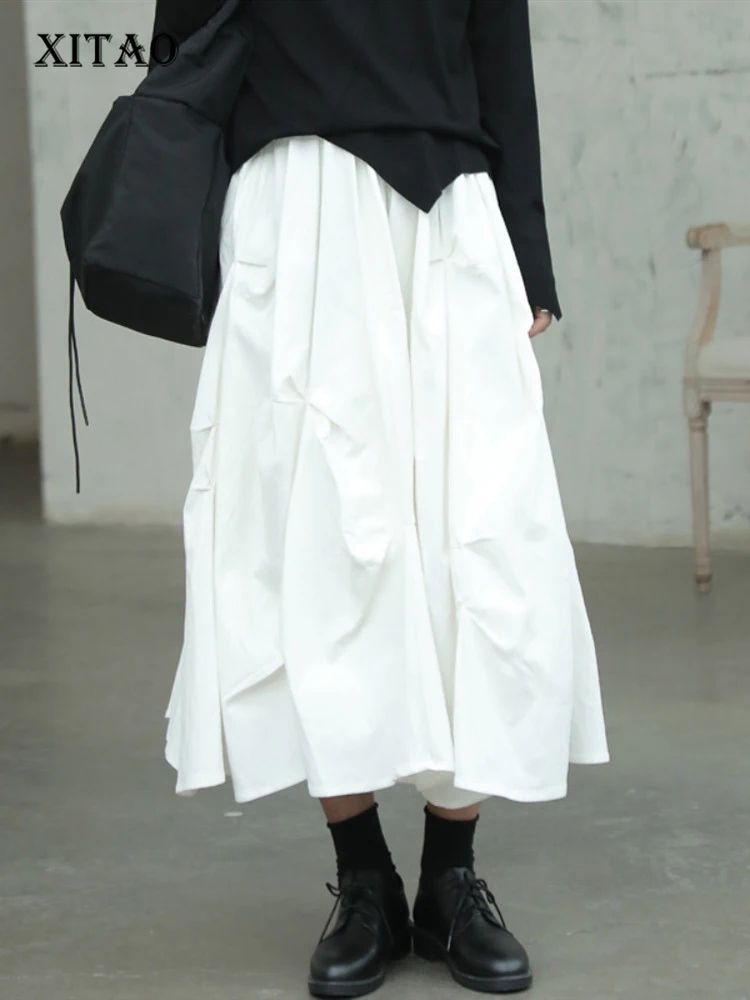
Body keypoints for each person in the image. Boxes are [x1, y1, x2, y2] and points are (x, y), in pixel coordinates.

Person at [149, 1, 610, 995]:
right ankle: (364, 876)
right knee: (315, 550)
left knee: (482, 540)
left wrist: (528, 247)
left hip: (448, 214)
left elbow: (499, 47)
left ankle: (451, 877)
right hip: (294, 212)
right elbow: (183, 40)